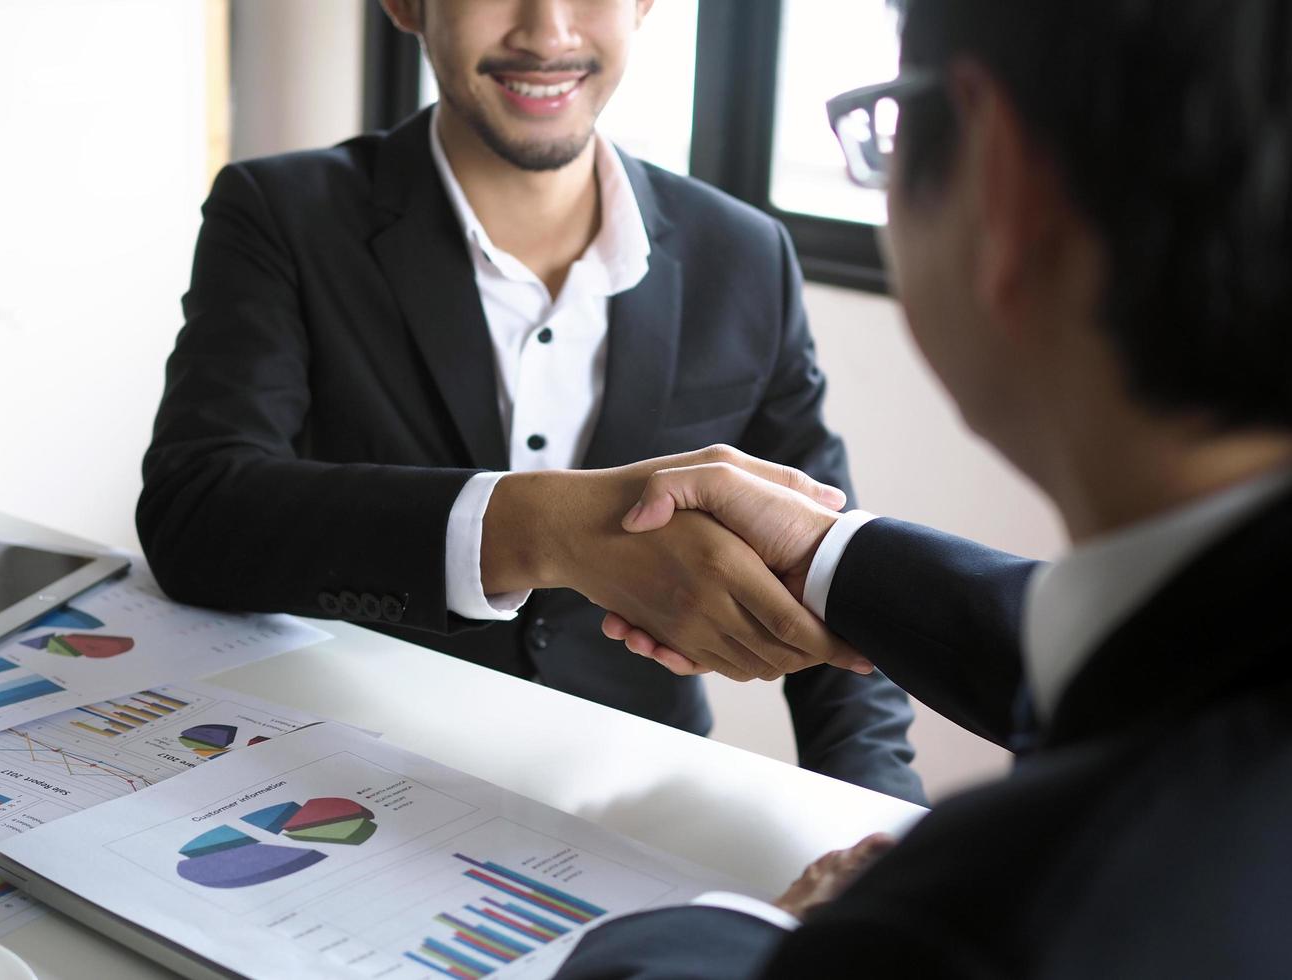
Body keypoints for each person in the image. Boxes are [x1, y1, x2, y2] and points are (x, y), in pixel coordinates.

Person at [554, 0, 1292, 975]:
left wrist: (769, 929)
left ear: (1001, 182)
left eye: (893, 116)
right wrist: (830, 555)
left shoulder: (990, 918)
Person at [136, 0, 924, 802]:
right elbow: (194, 514)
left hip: (647, 798)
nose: (549, 34)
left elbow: (831, 573)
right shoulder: (280, 213)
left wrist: (882, 836)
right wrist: (544, 529)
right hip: (353, 777)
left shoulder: (746, 252)